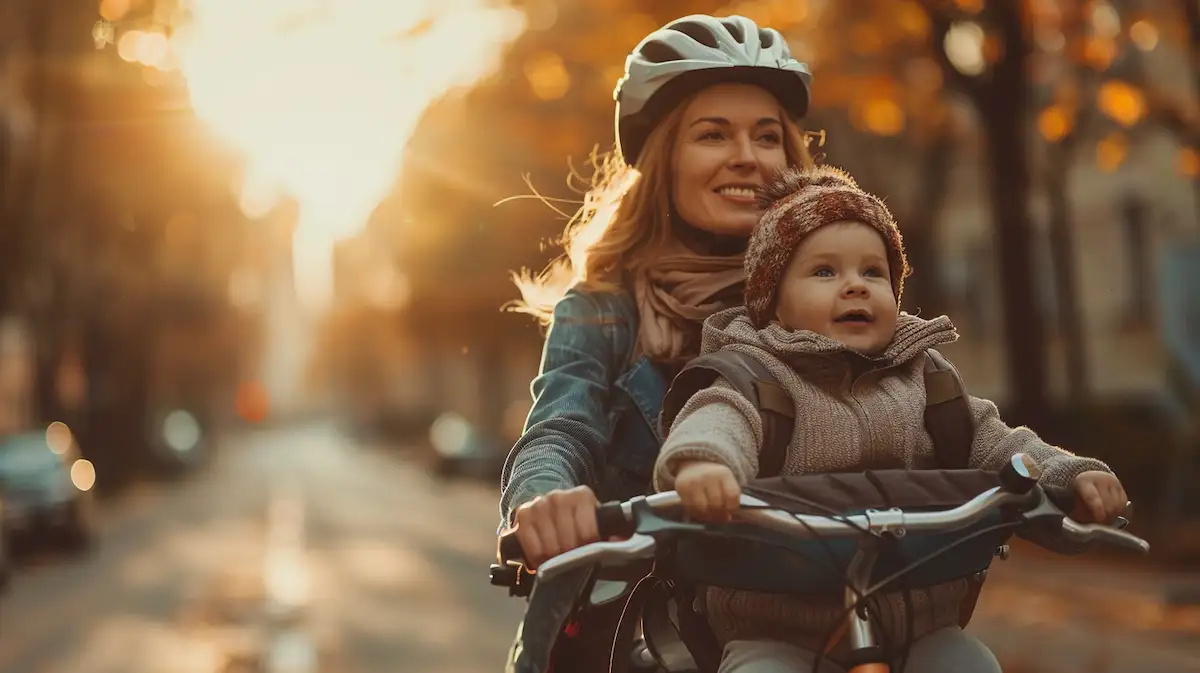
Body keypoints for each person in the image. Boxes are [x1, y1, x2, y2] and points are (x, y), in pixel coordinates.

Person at [653, 165, 1130, 673]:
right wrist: (704, 467)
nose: (855, 286)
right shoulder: (755, 378)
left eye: (873, 272)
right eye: (824, 272)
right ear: (773, 302)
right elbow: (717, 421)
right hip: (777, 628)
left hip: (916, 628)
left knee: (970, 664)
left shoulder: (927, 379)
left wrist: (1067, 473)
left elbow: (998, 441)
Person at [499, 13, 816, 673]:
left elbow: (915, 411)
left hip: (819, 616)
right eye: (712, 134)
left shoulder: (832, 303)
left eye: (767, 136)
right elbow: (560, 430)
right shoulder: (603, 311)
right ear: (664, 157)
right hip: (640, 628)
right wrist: (545, 497)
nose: (748, 157)